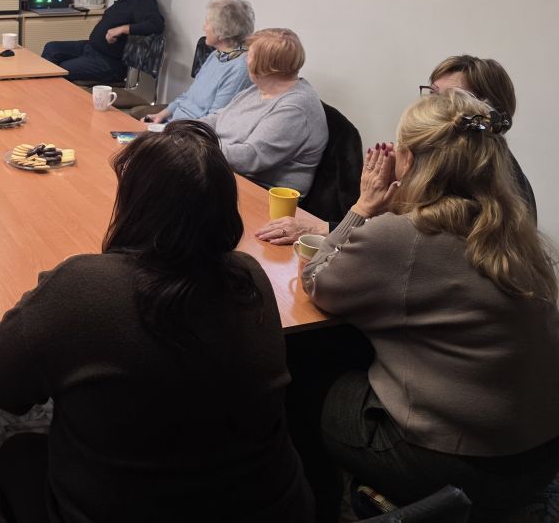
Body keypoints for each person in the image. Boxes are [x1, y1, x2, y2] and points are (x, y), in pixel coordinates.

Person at [0, 120, 314, 523]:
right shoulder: (251, 276)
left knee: (16, 455)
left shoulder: (83, 285)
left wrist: (44, 300)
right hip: (273, 509)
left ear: (136, 205)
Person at [303, 89, 559, 520]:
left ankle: (335, 504)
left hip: (464, 468)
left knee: (311, 375)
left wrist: (363, 207)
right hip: (540, 458)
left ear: (408, 160)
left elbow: (318, 279)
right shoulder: (520, 235)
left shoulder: (405, 236)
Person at [256, 53, 538, 245]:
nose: (433, 106)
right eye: (433, 94)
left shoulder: (495, 185)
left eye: (451, 98)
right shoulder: (430, 158)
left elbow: (407, 242)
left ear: (486, 112)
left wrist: (323, 227)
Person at [199, 28, 327, 196]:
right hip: (224, 170)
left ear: (267, 68)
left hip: (259, 191)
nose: (245, 59)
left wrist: (199, 147)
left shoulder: (295, 109)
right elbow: (219, 118)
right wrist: (186, 128)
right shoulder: (260, 88)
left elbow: (249, 158)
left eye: (250, 56)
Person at [41, 0, 164, 86]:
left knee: (62, 69)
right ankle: (40, 91)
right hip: (91, 48)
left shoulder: (144, 1)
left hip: (108, 63)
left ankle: (49, 93)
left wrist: (122, 29)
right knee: (51, 48)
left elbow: (157, 25)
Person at [141, 0, 254, 123]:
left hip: (191, 130)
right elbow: (188, 96)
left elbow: (213, 120)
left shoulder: (240, 69)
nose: (204, 27)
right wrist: (161, 115)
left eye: (208, 23)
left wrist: (166, 129)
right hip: (175, 123)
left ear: (222, 32)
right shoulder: (216, 55)